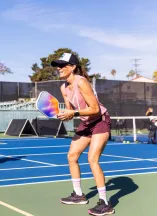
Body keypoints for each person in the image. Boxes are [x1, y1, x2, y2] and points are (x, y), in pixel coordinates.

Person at [51, 53, 115, 215]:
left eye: (62, 65)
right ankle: (79, 195)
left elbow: (95, 109)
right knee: (72, 156)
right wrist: (63, 115)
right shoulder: (63, 87)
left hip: (100, 120)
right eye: (57, 65)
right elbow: (70, 111)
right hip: (86, 123)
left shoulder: (82, 82)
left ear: (72, 67)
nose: (59, 68)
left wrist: (74, 113)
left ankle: (105, 203)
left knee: (92, 159)